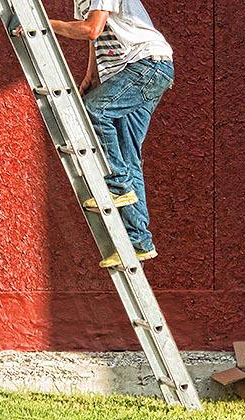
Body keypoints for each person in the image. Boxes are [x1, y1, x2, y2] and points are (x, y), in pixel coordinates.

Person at [49, 0, 174, 267]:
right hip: (143, 68)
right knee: (128, 157)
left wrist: (47, 26)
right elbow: (99, 36)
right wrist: (91, 75)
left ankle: (117, 185)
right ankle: (139, 241)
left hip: (146, 65)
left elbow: (92, 29)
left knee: (94, 111)